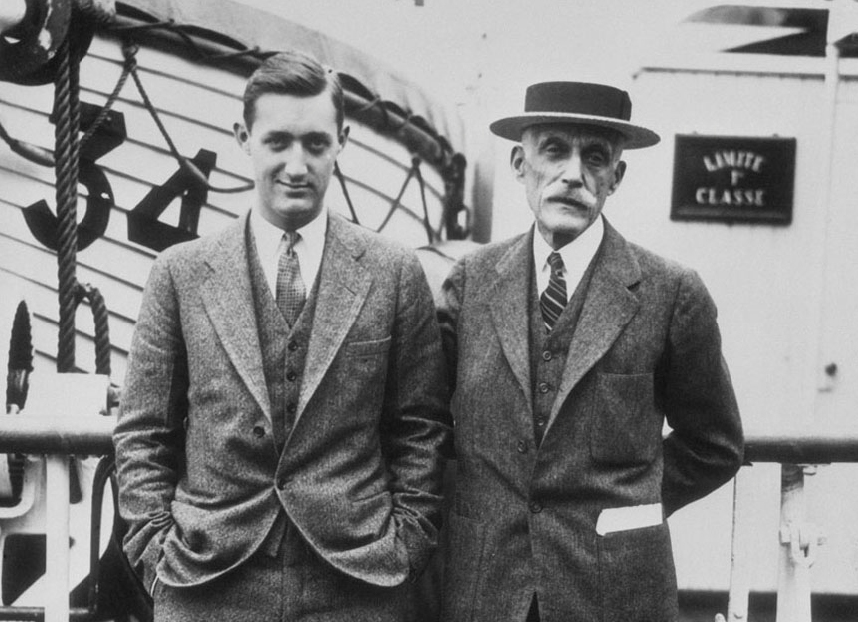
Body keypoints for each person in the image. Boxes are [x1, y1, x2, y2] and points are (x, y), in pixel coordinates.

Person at [113, 50, 451, 622]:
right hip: (208, 580)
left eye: (316, 144)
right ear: (244, 136)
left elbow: (421, 429)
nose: (297, 165)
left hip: (357, 583)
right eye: (278, 142)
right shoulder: (181, 272)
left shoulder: (393, 273)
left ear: (341, 141)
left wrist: (406, 545)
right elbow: (143, 433)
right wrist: (156, 552)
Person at [438, 81, 744, 622]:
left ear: (615, 177)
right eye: (554, 149)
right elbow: (424, 424)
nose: (573, 173)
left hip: (616, 592)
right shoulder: (471, 282)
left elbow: (714, 444)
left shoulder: (670, 293)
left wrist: (630, 509)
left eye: (595, 157)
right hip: (484, 587)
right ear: (519, 163)